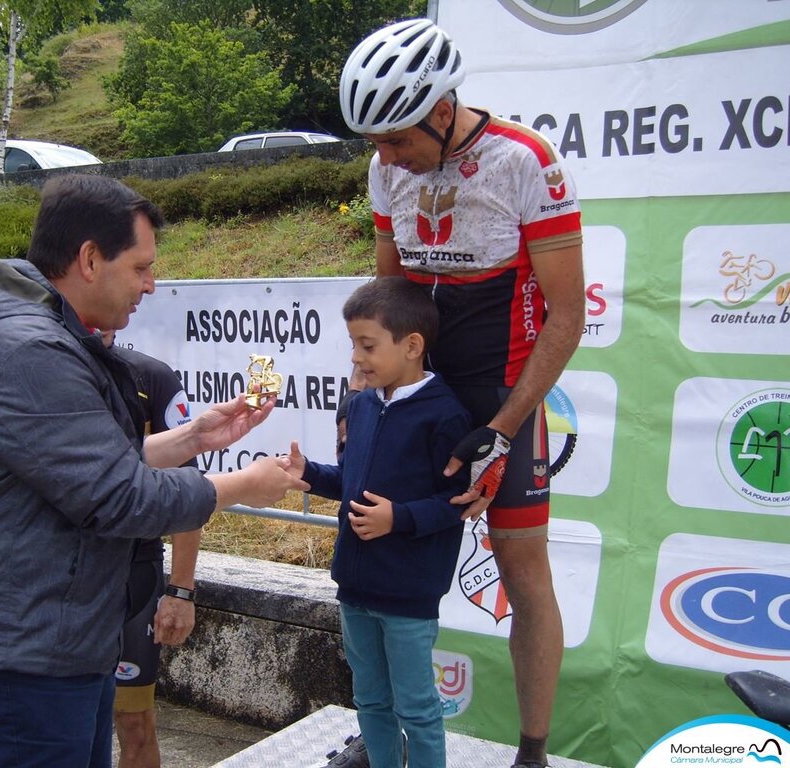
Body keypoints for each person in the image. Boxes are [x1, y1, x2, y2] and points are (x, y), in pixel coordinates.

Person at [0, 174, 308, 768]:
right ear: (90, 259)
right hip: (19, 646)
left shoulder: (39, 339)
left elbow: (74, 468)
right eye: (141, 267)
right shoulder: (27, 353)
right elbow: (119, 497)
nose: (151, 284)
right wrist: (245, 484)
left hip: (52, 635)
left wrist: (192, 437)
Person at [338, 19, 585, 768]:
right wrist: (358, 399)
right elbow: (387, 297)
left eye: (397, 140)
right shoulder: (388, 168)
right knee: (383, 553)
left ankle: (533, 751)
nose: (385, 160)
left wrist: (505, 428)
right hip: (421, 390)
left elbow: (568, 316)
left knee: (522, 571)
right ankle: (380, 726)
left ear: (443, 112)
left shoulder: (526, 162)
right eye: (375, 144)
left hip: (503, 388)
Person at [286, 277, 472, 768]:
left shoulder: (446, 415)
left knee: (417, 709)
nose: (356, 358)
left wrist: (399, 519)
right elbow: (350, 479)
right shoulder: (364, 406)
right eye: (353, 345)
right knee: (369, 701)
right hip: (354, 589)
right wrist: (307, 475)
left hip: (409, 596)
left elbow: (458, 502)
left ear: (412, 346)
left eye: (367, 345)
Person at [108, 334, 201, 768]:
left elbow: (186, 489)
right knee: (66, 725)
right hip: (56, 576)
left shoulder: (151, 375)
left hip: (133, 575)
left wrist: (181, 590)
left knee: (135, 723)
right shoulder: (39, 369)